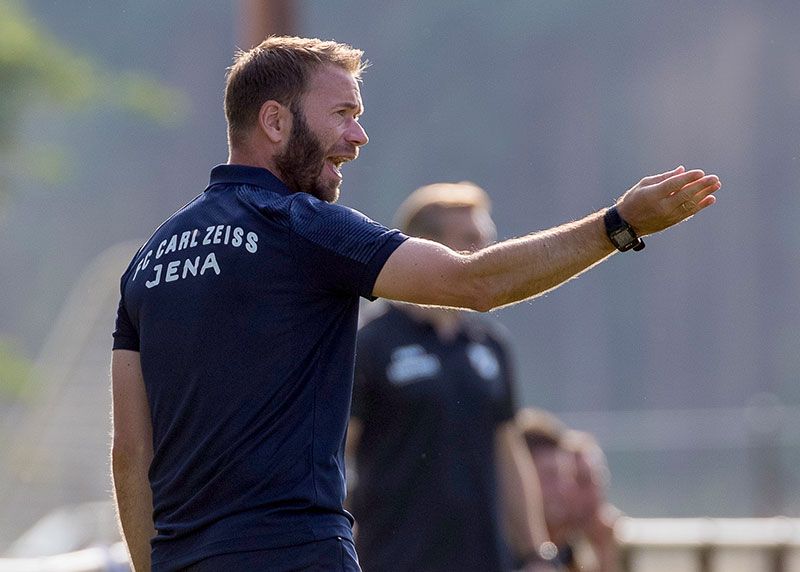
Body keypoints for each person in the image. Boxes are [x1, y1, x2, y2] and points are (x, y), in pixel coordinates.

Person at [110, 35, 721, 572]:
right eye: (343, 113)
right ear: (274, 121)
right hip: (297, 555)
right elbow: (476, 283)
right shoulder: (303, 224)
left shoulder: (149, 261)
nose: (358, 135)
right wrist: (617, 224)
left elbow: (131, 455)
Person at [346, 182, 555, 572]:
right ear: (427, 247)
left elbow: (509, 454)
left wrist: (534, 553)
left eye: (489, 240)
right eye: (471, 241)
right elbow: (338, 456)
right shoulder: (370, 344)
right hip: (394, 560)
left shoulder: (490, 345)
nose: (487, 254)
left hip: (484, 560)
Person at [518, 409, 622, 572]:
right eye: (549, 476)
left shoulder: (564, 548)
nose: (564, 488)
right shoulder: (504, 550)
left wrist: (603, 551)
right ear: (520, 480)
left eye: (565, 476)